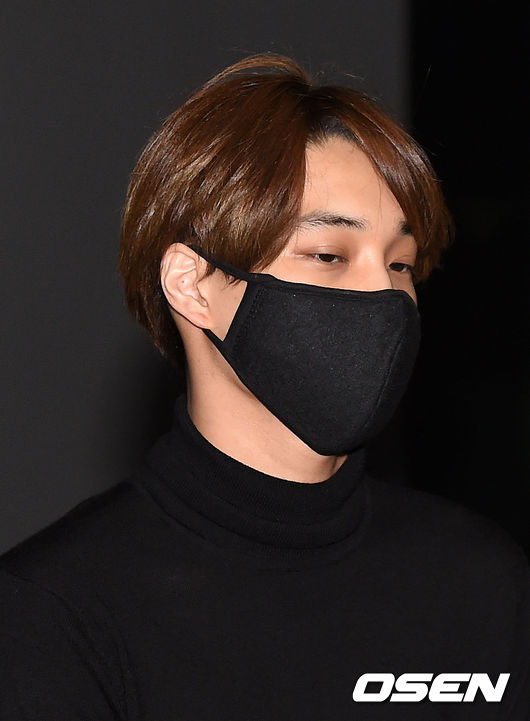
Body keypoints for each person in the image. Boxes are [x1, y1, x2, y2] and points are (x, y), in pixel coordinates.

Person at [1, 54, 528, 720]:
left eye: (401, 264)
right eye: (330, 255)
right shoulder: (57, 613)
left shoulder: (478, 579)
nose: (385, 295)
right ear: (193, 284)